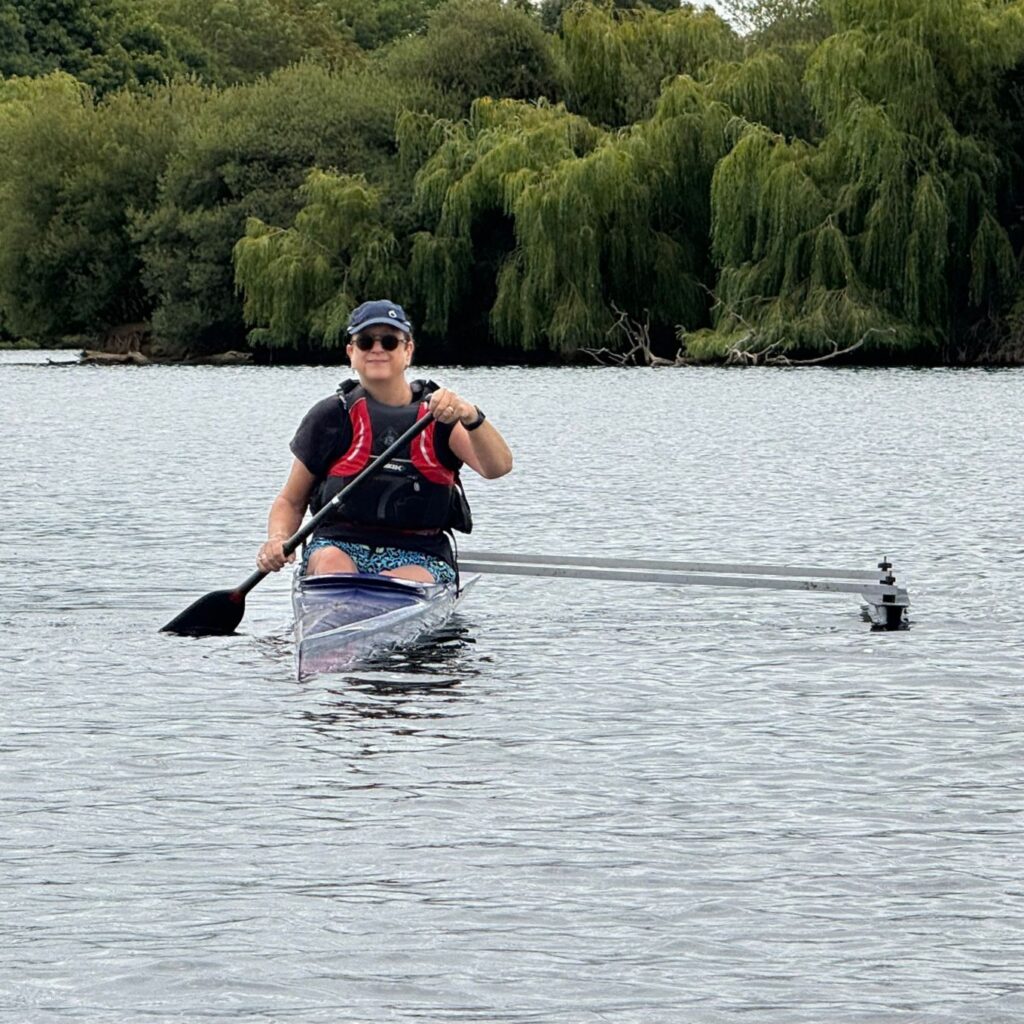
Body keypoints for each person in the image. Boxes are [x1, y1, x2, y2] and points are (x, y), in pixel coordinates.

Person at [256, 299, 513, 583]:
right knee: (331, 563)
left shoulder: (441, 415)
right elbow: (291, 501)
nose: (377, 349)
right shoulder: (330, 416)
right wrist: (278, 539)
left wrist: (470, 415)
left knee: (401, 581)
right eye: (366, 342)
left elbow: (498, 467)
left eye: (390, 341)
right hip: (338, 546)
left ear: (408, 351)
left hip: (420, 553)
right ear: (351, 353)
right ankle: (339, 609)